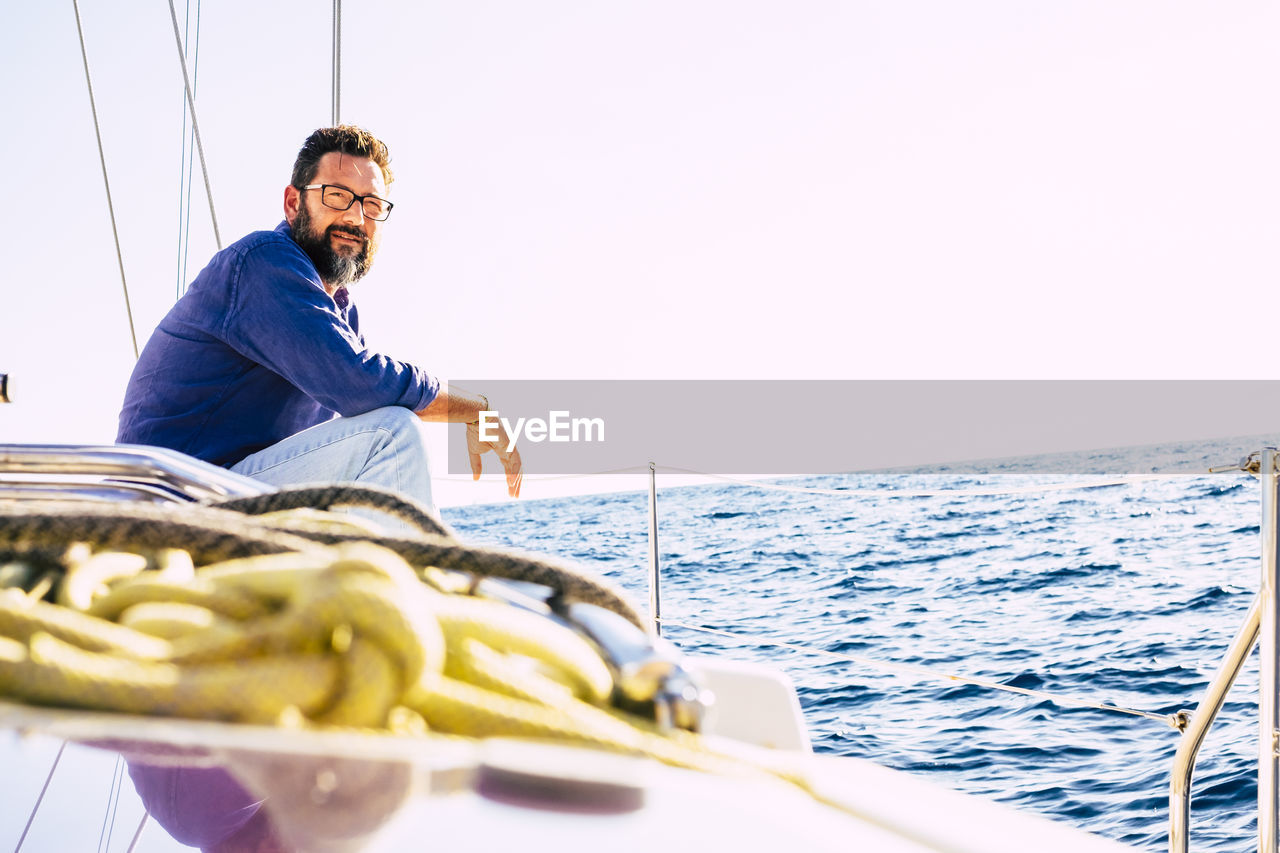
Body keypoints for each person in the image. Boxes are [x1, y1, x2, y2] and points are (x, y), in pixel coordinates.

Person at [117, 125, 521, 512]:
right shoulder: (262, 262)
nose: (356, 218)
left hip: (227, 492)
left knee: (375, 436)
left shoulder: (342, 311)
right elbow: (360, 383)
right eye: (336, 196)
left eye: (372, 205)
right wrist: (475, 408)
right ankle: (417, 575)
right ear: (294, 204)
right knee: (390, 433)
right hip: (171, 494)